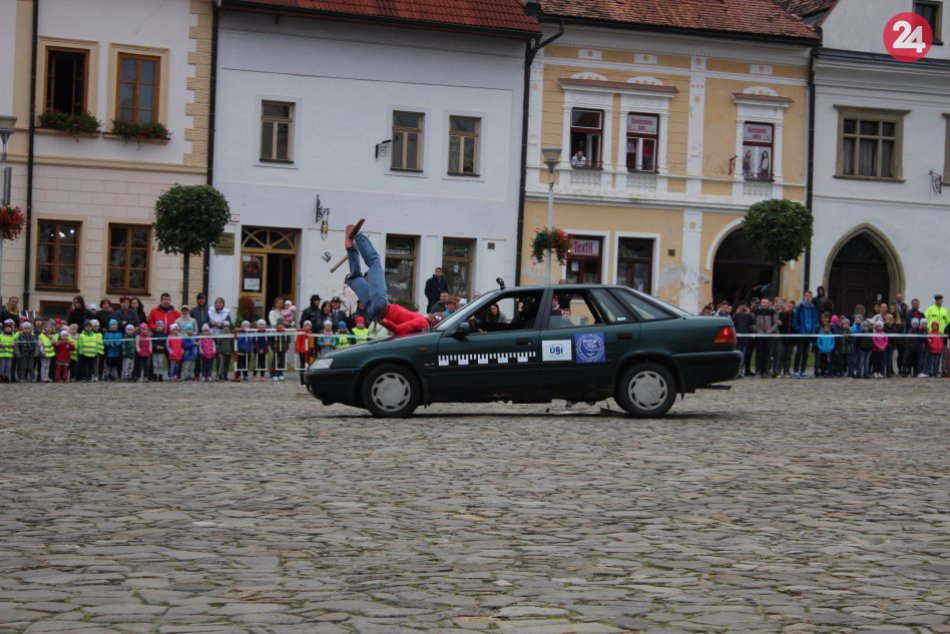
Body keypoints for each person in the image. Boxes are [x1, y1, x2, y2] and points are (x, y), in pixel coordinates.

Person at [342, 220, 429, 337]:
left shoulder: (423, 322)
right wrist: (384, 322)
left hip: (381, 306)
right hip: (373, 312)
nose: (431, 315)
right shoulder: (420, 328)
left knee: (374, 262)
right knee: (355, 278)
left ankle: (358, 236)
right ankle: (351, 247)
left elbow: (399, 329)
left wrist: (387, 323)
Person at [791, 291, 819, 378]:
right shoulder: (800, 307)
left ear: (811, 298)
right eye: (806, 296)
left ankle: (803, 370)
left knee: (806, 353)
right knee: (799, 352)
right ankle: (796, 370)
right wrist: (799, 329)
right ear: (804, 297)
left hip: (810, 333)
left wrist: (814, 329)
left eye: (809, 296)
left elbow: (816, 321)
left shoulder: (814, 308)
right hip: (801, 333)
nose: (808, 298)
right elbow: (795, 320)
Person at [752, 297, 778, 378]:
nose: (764, 304)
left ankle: (765, 371)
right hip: (759, 335)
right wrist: (757, 330)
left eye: (766, 302)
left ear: (768, 303)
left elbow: (775, 323)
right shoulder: (756, 311)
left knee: (767, 354)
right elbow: (751, 322)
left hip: (768, 336)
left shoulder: (772, 311)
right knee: (759, 353)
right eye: (763, 302)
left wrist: (770, 330)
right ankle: (758, 370)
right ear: (761, 303)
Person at [732, 302, 754, 377]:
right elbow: (732, 321)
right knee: (737, 355)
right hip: (737, 337)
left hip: (745, 338)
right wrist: (736, 312)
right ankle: (736, 371)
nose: (743, 309)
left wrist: (749, 313)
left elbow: (752, 322)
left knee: (743, 355)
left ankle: (741, 371)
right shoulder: (736, 315)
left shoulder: (748, 316)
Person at [295, 320, 313, 385]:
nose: (307, 327)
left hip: (309, 351)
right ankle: (302, 379)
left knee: (308, 365)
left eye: (308, 325)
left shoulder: (311, 333)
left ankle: (307, 379)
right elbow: (298, 341)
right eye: (306, 325)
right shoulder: (301, 332)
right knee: (302, 365)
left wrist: (313, 350)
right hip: (302, 351)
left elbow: (312, 342)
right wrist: (297, 348)